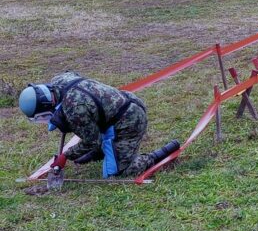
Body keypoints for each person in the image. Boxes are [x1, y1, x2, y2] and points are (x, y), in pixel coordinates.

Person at [18, 72, 175, 178]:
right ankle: (101, 152)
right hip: (120, 106)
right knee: (91, 132)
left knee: (117, 173)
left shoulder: (74, 110)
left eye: (42, 117)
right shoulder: (60, 79)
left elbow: (92, 141)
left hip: (129, 121)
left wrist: (66, 156)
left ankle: (155, 156)